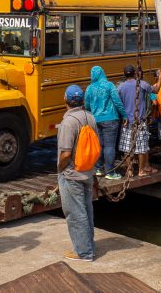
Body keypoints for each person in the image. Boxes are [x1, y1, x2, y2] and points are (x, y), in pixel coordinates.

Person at [57, 84, 98, 262]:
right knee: (87, 210)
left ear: (65, 100)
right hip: (88, 171)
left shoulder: (68, 122)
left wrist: (60, 168)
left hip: (72, 174)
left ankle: (83, 252)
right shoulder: (90, 117)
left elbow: (65, 153)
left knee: (75, 213)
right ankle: (89, 246)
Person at [84, 65, 126, 179]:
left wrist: (92, 115)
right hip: (110, 119)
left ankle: (98, 169)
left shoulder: (89, 88)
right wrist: (124, 115)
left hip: (95, 120)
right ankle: (110, 172)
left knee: (99, 145)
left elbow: (86, 105)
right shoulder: (109, 85)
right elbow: (117, 102)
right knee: (109, 146)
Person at [116, 65, 155, 176]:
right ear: (134, 73)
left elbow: (117, 103)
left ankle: (129, 170)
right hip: (140, 121)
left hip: (127, 122)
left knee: (127, 148)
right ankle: (141, 170)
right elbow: (155, 90)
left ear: (124, 74)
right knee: (141, 148)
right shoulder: (142, 84)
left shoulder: (120, 87)